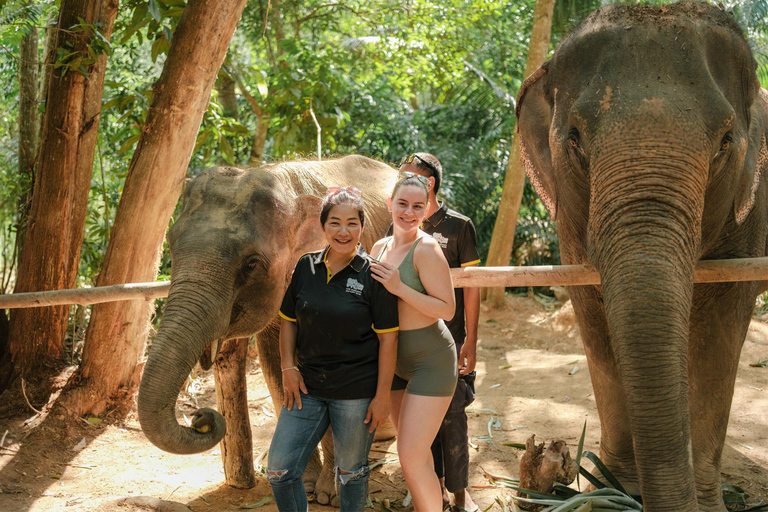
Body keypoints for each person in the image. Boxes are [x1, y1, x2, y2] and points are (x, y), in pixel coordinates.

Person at [267, 186, 399, 512]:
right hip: (307, 388)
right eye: (335, 223)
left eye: (352, 223)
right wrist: (287, 367)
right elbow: (288, 321)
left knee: (351, 473)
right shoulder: (305, 268)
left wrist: (382, 396)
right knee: (279, 470)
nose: (344, 231)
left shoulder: (373, 276)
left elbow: (388, 340)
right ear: (322, 226)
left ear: (362, 227)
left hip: (356, 393)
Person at [398, 153, 481, 512]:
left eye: (411, 177)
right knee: (420, 426)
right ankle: (435, 495)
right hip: (407, 346)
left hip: (449, 339)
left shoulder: (458, 226)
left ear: (429, 183)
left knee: (453, 419)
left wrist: (471, 341)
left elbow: (473, 287)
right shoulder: (398, 228)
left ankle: (461, 495)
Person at [370, 174, 457, 512]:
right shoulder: (379, 247)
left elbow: (447, 309)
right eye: (402, 204)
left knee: (410, 454)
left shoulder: (428, 249)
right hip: (392, 361)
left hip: (430, 361)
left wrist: (401, 288)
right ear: (390, 204)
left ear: (425, 210)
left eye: (417, 206)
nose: (408, 212)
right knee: (414, 458)